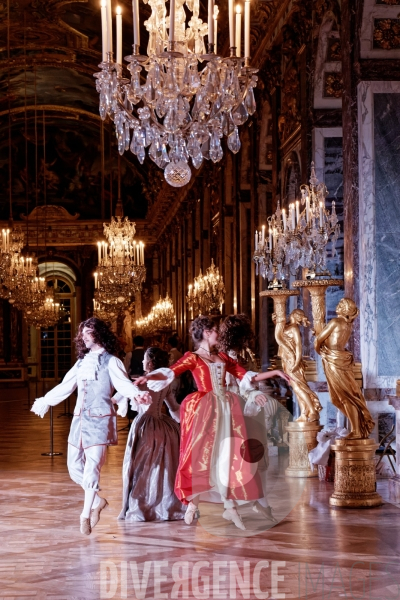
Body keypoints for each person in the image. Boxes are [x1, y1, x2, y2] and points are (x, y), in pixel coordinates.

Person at [135, 316, 290, 531]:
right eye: (216, 329)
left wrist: (276, 372)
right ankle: (194, 501)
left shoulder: (224, 357)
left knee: (227, 455)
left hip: (227, 408)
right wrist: (148, 377)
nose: (219, 333)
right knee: (201, 453)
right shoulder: (193, 358)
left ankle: (229, 504)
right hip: (204, 408)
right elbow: (172, 371)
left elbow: (246, 376)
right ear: (207, 332)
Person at [31, 318, 151, 536]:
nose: (83, 336)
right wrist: (47, 400)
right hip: (79, 419)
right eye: (82, 333)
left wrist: (136, 394)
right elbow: (67, 385)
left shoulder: (112, 361)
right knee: (73, 467)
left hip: (99, 420)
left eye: (88, 332)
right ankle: (98, 501)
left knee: (92, 467)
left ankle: (85, 515)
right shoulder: (81, 362)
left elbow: (123, 384)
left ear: (99, 334)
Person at [218, 314, 287, 523]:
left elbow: (248, 380)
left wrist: (273, 374)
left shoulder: (237, 354)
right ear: (242, 334)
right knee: (243, 457)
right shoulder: (228, 356)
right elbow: (245, 382)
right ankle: (241, 503)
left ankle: (255, 502)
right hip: (237, 409)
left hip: (242, 407)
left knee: (250, 456)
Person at [117, 347, 186, 522]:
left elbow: (119, 397)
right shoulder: (165, 383)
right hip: (164, 427)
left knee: (143, 467)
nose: (142, 362)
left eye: (145, 359)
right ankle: (165, 505)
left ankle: (143, 507)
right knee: (163, 468)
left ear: (150, 362)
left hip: (145, 426)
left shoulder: (142, 382)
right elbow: (173, 408)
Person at [314, 298, 374, 439]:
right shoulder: (348, 325)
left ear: (346, 309)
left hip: (334, 360)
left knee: (345, 397)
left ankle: (356, 430)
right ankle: (357, 426)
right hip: (341, 359)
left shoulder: (335, 322)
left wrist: (321, 352)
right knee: (341, 397)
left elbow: (318, 340)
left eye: (341, 304)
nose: (338, 305)